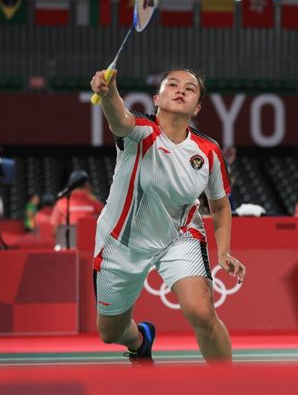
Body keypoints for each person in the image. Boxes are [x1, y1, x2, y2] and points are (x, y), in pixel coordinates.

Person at [90, 67, 246, 365]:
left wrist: (224, 250)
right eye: (172, 84)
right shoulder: (139, 131)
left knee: (202, 313)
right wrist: (109, 94)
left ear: (197, 106)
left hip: (179, 237)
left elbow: (220, 204)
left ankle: (229, 388)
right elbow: (118, 116)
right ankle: (139, 341)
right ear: (157, 98)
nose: (180, 90)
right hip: (121, 242)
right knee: (110, 332)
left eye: (190, 89)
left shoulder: (208, 150)